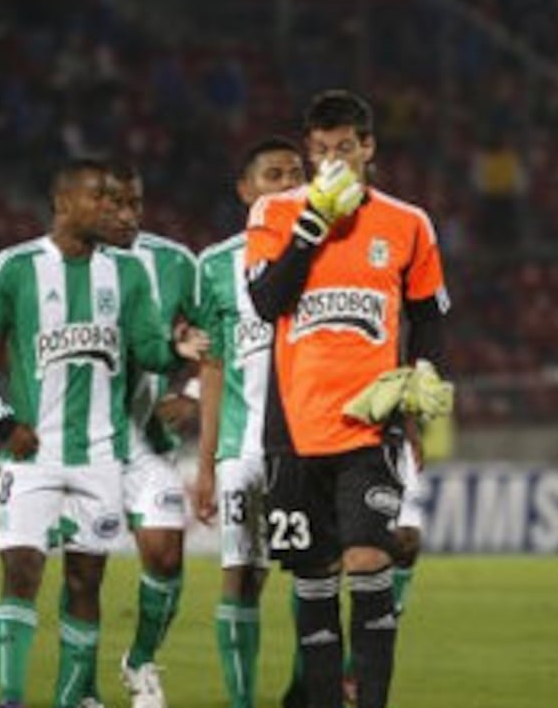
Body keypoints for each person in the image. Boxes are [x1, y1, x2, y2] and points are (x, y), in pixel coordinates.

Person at [0, 159, 208, 708]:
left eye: (120, 201)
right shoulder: (14, 266)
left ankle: (75, 698)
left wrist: (176, 352)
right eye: (102, 200)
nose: (114, 211)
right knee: (21, 569)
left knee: (85, 582)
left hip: (101, 455)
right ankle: (11, 699)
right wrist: (0, 418)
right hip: (32, 451)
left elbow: (145, 347)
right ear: (64, 203)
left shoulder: (129, 273)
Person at [244, 89, 452, 708]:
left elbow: (429, 317)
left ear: (368, 147)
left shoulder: (408, 222)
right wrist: (312, 226)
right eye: (321, 151)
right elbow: (265, 302)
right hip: (293, 430)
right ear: (309, 154)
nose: (333, 160)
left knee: (367, 560)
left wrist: (423, 379)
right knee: (312, 577)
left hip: (371, 428)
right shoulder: (275, 214)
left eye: (345, 148)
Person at [192, 136, 306, 708]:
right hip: (242, 445)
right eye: (273, 174)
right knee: (242, 572)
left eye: (295, 173)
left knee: (316, 571)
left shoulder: (327, 252)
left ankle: (300, 691)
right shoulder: (214, 265)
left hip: (307, 442)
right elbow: (212, 366)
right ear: (246, 190)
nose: (287, 183)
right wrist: (206, 463)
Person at [97, 161, 202, 708]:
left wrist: (193, 397)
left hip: (144, 439)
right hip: (73, 439)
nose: (126, 215)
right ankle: (79, 687)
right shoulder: (51, 262)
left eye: (134, 203)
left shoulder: (174, 262)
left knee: (165, 555)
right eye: (113, 203)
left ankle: (140, 663)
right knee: (78, 572)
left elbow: (219, 332)